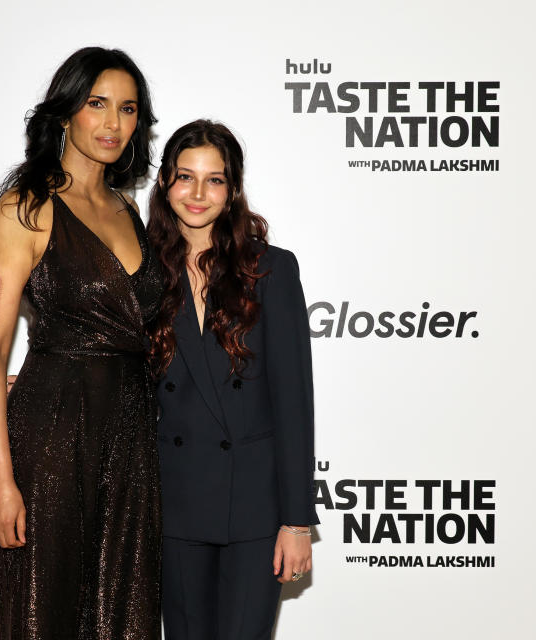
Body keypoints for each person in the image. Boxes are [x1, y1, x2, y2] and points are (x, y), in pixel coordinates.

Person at [0, 47, 163, 640]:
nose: (112, 123)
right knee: (45, 613)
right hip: (54, 436)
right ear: (64, 115)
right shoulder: (25, 207)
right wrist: (1, 484)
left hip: (133, 440)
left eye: (127, 109)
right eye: (96, 104)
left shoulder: (131, 210)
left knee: (125, 616)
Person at [145, 120, 319, 640]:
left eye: (214, 180)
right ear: (163, 184)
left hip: (254, 506)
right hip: (174, 500)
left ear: (233, 189)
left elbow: (293, 401)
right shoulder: (141, 272)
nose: (198, 194)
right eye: (185, 177)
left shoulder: (271, 270)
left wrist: (295, 521)